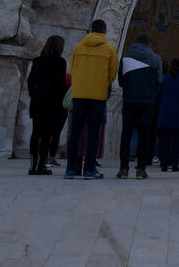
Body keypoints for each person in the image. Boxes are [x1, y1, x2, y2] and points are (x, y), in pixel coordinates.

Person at [65, 20, 119, 180]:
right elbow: (112, 73)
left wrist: (80, 84)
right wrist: (103, 85)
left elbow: (73, 69)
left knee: (75, 132)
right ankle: (89, 169)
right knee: (94, 133)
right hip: (97, 95)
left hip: (79, 94)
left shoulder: (78, 47)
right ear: (105, 31)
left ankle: (70, 169)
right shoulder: (110, 49)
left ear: (91, 30)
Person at [117, 34, 162, 179]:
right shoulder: (156, 59)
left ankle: (123, 169)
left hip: (129, 100)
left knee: (126, 134)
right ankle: (141, 169)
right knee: (144, 135)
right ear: (149, 44)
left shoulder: (125, 58)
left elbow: (121, 81)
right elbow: (159, 81)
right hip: (147, 102)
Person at [27, 36, 68, 175]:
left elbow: (30, 81)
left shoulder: (37, 61)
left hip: (38, 102)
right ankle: (41, 164)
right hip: (53, 103)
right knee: (46, 135)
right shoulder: (60, 63)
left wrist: (34, 94)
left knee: (36, 133)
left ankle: (32, 164)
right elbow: (61, 85)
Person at [158, 58, 179, 172]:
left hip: (165, 113)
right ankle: (175, 164)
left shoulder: (164, 79)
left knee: (165, 141)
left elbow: (158, 95)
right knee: (177, 141)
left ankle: (164, 164)